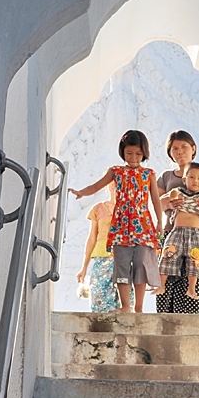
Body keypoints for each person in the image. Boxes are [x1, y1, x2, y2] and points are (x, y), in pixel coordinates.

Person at [69, 130, 163, 313]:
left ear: (144, 152)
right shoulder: (115, 172)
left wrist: (160, 221)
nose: (133, 157)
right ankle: (125, 306)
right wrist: (82, 192)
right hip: (120, 225)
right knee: (121, 264)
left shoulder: (149, 174)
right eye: (129, 153)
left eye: (138, 153)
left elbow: (155, 199)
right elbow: (97, 186)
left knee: (141, 264)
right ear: (123, 152)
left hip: (142, 224)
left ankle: (139, 307)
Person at [156, 130, 199, 313]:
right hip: (171, 231)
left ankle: (188, 318)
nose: (180, 152)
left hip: (197, 231)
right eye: (175, 148)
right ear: (170, 152)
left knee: (192, 272)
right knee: (167, 271)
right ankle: (164, 320)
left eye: (184, 147)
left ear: (193, 148)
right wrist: (170, 202)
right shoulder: (166, 177)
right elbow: (156, 205)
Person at [156, 162, 199, 300]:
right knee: (167, 256)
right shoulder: (178, 192)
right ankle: (161, 285)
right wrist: (170, 198)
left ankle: (191, 289)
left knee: (195, 260)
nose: (195, 181)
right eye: (192, 177)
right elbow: (158, 202)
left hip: (196, 233)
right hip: (177, 231)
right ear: (184, 179)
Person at [75, 182, 120, 312]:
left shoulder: (130, 209)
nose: (116, 186)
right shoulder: (98, 208)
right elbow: (92, 238)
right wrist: (84, 268)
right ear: (108, 186)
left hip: (124, 258)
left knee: (122, 301)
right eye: (113, 183)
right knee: (99, 297)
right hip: (101, 258)